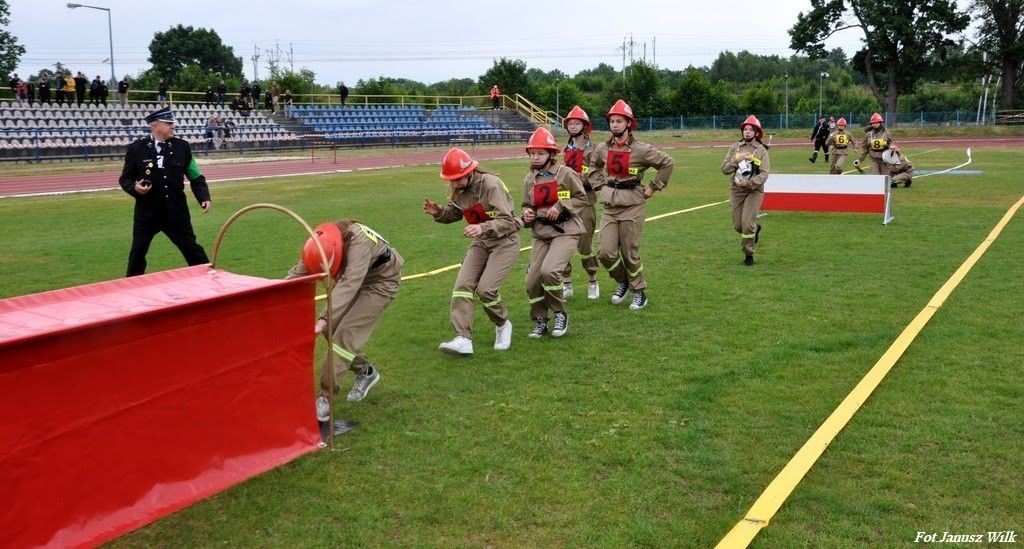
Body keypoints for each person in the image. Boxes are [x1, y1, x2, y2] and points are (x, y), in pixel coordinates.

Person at [285, 220, 403, 423]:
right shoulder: (319, 246)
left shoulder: (359, 242)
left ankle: (326, 398)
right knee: (330, 328)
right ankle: (366, 371)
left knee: (344, 335)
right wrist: (267, 295)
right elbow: (297, 275)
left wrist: (323, 318)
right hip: (358, 278)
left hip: (381, 281)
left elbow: (349, 283)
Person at [423, 148, 520, 355]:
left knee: (486, 290)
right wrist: (439, 212)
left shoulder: (491, 184)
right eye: (450, 180)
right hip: (482, 242)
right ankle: (463, 338)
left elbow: (508, 221)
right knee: (462, 285)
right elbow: (455, 213)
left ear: (469, 172)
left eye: (457, 178)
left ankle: (503, 325)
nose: (453, 184)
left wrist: (482, 227)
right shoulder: (459, 191)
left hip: (505, 241)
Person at [590, 99, 674, 310]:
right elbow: (593, 166)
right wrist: (599, 186)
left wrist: (653, 186)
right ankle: (623, 281)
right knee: (605, 253)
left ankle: (639, 292)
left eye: (619, 121)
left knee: (630, 251)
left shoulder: (641, 149)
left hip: (633, 205)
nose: (615, 125)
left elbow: (667, 163)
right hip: (610, 206)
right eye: (612, 121)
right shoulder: (602, 148)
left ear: (629, 123)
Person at [118, 107, 211, 277]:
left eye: (172, 122)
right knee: (137, 253)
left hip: (176, 212)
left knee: (192, 249)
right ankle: (131, 287)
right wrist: (134, 188)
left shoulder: (182, 147)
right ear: (155, 126)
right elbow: (125, 179)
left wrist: (203, 197)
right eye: (168, 123)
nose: (173, 126)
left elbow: (195, 176)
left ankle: (209, 281)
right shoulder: (136, 148)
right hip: (147, 213)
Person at [520, 127, 588, 338]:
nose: (535, 157)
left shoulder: (565, 173)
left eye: (540, 153)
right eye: (532, 153)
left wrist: (561, 205)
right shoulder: (529, 179)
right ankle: (540, 319)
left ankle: (560, 313)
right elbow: (526, 205)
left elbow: (582, 198)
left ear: (551, 154)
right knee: (532, 280)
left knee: (550, 271)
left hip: (566, 230)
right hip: (541, 232)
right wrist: (527, 214)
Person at [561, 105, 603, 300]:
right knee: (563, 245)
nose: (573, 126)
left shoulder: (593, 151)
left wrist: (577, 179)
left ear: (585, 126)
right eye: (570, 123)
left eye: (577, 123)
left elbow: (595, 178)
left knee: (584, 246)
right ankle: (566, 283)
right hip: (565, 203)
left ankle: (593, 281)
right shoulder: (565, 149)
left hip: (585, 203)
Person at [721, 115, 771, 266]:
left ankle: (749, 254)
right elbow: (724, 169)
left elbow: (764, 174)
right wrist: (737, 160)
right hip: (736, 190)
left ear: (756, 133)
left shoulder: (761, 150)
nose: (747, 132)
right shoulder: (735, 147)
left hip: (754, 190)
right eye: (745, 129)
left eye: (751, 129)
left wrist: (749, 183)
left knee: (746, 222)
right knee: (739, 226)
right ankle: (755, 229)